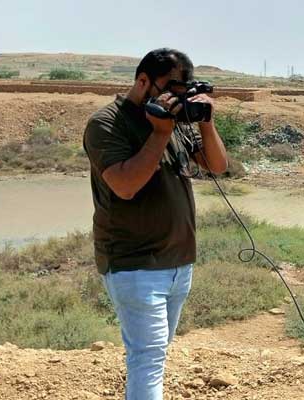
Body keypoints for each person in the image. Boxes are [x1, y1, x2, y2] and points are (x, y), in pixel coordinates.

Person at [83, 48, 228, 399]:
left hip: (178, 261)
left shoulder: (174, 119)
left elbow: (217, 166)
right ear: (142, 80)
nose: (175, 97)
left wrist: (205, 120)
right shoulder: (106, 123)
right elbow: (125, 185)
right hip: (135, 263)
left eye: (183, 91)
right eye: (169, 88)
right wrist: (159, 132)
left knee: (156, 355)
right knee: (147, 359)